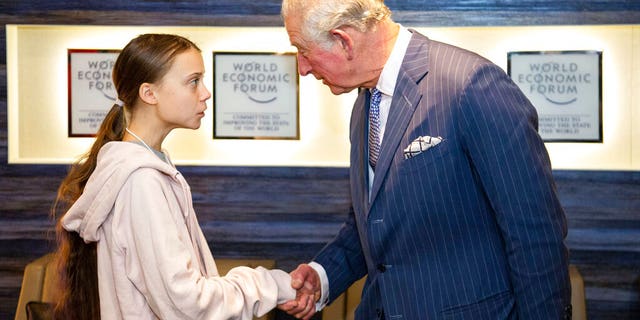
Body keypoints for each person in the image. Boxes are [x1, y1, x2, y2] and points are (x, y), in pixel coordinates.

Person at [278, 0, 572, 319]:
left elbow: (535, 236)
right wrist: (322, 276)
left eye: (303, 50)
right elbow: (374, 222)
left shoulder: (472, 86)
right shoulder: (365, 103)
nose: (302, 68)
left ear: (343, 40)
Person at [50, 33, 304, 319]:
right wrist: (270, 284)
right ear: (149, 93)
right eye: (193, 81)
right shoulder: (141, 181)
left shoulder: (146, 169)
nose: (205, 92)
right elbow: (186, 305)